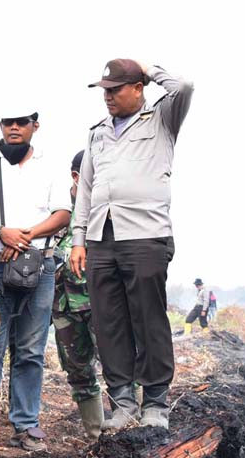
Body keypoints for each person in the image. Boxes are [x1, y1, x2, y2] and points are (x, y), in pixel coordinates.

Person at [70, 59, 194, 432]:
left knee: (148, 319)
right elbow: (86, 189)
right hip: (100, 238)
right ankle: (123, 401)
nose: (108, 97)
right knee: (109, 324)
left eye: (115, 89)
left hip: (144, 236)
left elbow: (184, 86)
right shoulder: (98, 133)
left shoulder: (161, 120)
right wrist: (79, 239)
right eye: (104, 91)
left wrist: (149, 67)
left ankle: (156, 402)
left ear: (138, 88)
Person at [0, 107, 71, 455]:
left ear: (35, 125)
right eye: (8, 122)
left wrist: (24, 237)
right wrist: (0, 232)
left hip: (39, 264)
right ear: (1, 126)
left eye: (22, 122)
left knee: (31, 350)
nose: (15, 128)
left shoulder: (50, 166)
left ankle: (26, 426)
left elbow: (63, 213)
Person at [52, 150, 104, 440]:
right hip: (64, 307)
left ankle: (129, 431)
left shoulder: (106, 210)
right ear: (76, 176)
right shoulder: (59, 209)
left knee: (121, 368)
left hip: (102, 304)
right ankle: (96, 438)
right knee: (79, 373)